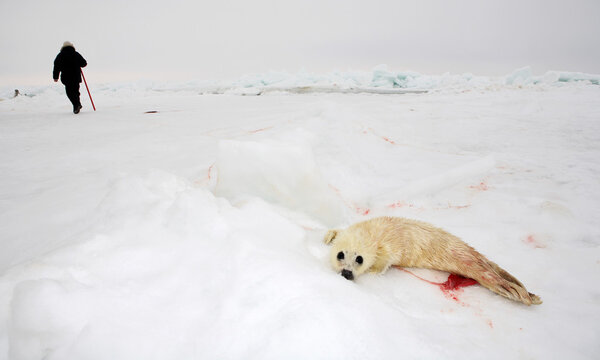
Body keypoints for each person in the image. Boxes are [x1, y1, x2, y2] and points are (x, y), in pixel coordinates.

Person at [53, 41, 87, 114]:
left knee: (69, 92)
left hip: (66, 77)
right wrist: (79, 63)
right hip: (76, 77)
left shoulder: (60, 55)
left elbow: (56, 67)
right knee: (76, 91)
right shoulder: (76, 54)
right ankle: (77, 104)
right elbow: (84, 63)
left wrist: (55, 77)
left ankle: (76, 105)